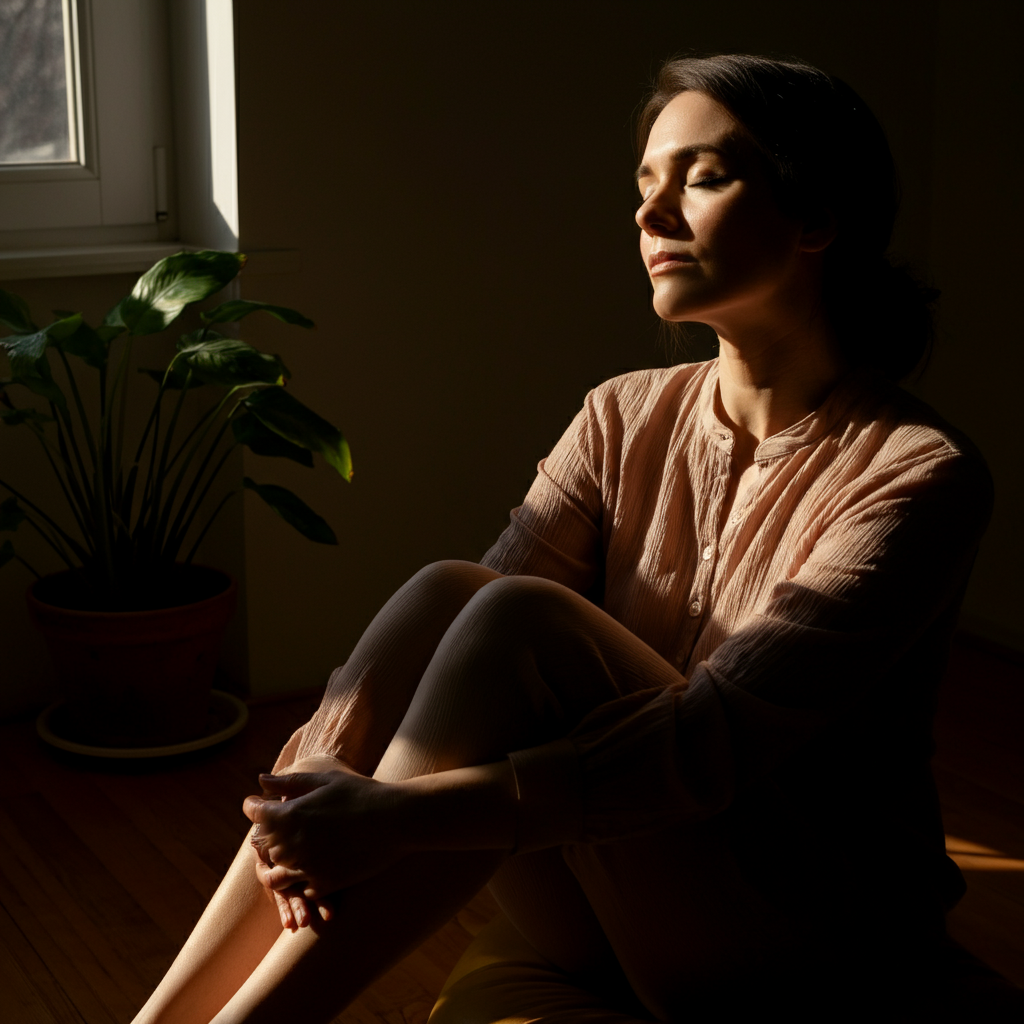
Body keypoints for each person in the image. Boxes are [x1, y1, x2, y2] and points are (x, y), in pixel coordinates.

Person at [132, 54, 993, 1024]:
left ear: (816, 219)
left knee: (519, 618)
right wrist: (325, 774)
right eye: (644, 184)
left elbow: (707, 751)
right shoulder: (622, 413)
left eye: (702, 178)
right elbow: (463, 637)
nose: (649, 214)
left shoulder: (919, 473)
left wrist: (392, 819)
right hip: (608, 893)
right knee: (451, 589)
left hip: (802, 931)